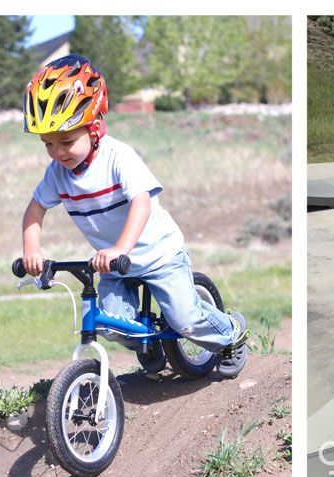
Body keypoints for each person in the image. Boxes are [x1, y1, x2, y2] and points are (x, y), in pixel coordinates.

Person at [19, 54, 248, 377]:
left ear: (95, 127)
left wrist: (120, 248)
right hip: (115, 266)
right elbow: (35, 209)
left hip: (158, 256)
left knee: (186, 320)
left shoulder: (118, 157)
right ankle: (147, 342)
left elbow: (141, 202)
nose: (57, 152)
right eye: (48, 144)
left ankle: (231, 334)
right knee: (111, 325)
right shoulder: (58, 173)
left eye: (67, 141)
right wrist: (32, 251)